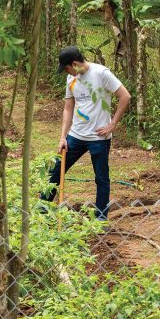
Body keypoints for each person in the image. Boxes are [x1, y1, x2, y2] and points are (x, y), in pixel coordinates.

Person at [39, 46, 131, 221]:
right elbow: (68, 108)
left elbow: (125, 96)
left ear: (74, 63)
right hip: (75, 136)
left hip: (99, 138)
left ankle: (101, 218)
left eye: (67, 68)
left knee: (101, 178)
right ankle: (42, 209)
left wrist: (112, 124)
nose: (67, 72)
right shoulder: (71, 79)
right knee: (56, 171)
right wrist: (62, 136)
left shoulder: (101, 73)